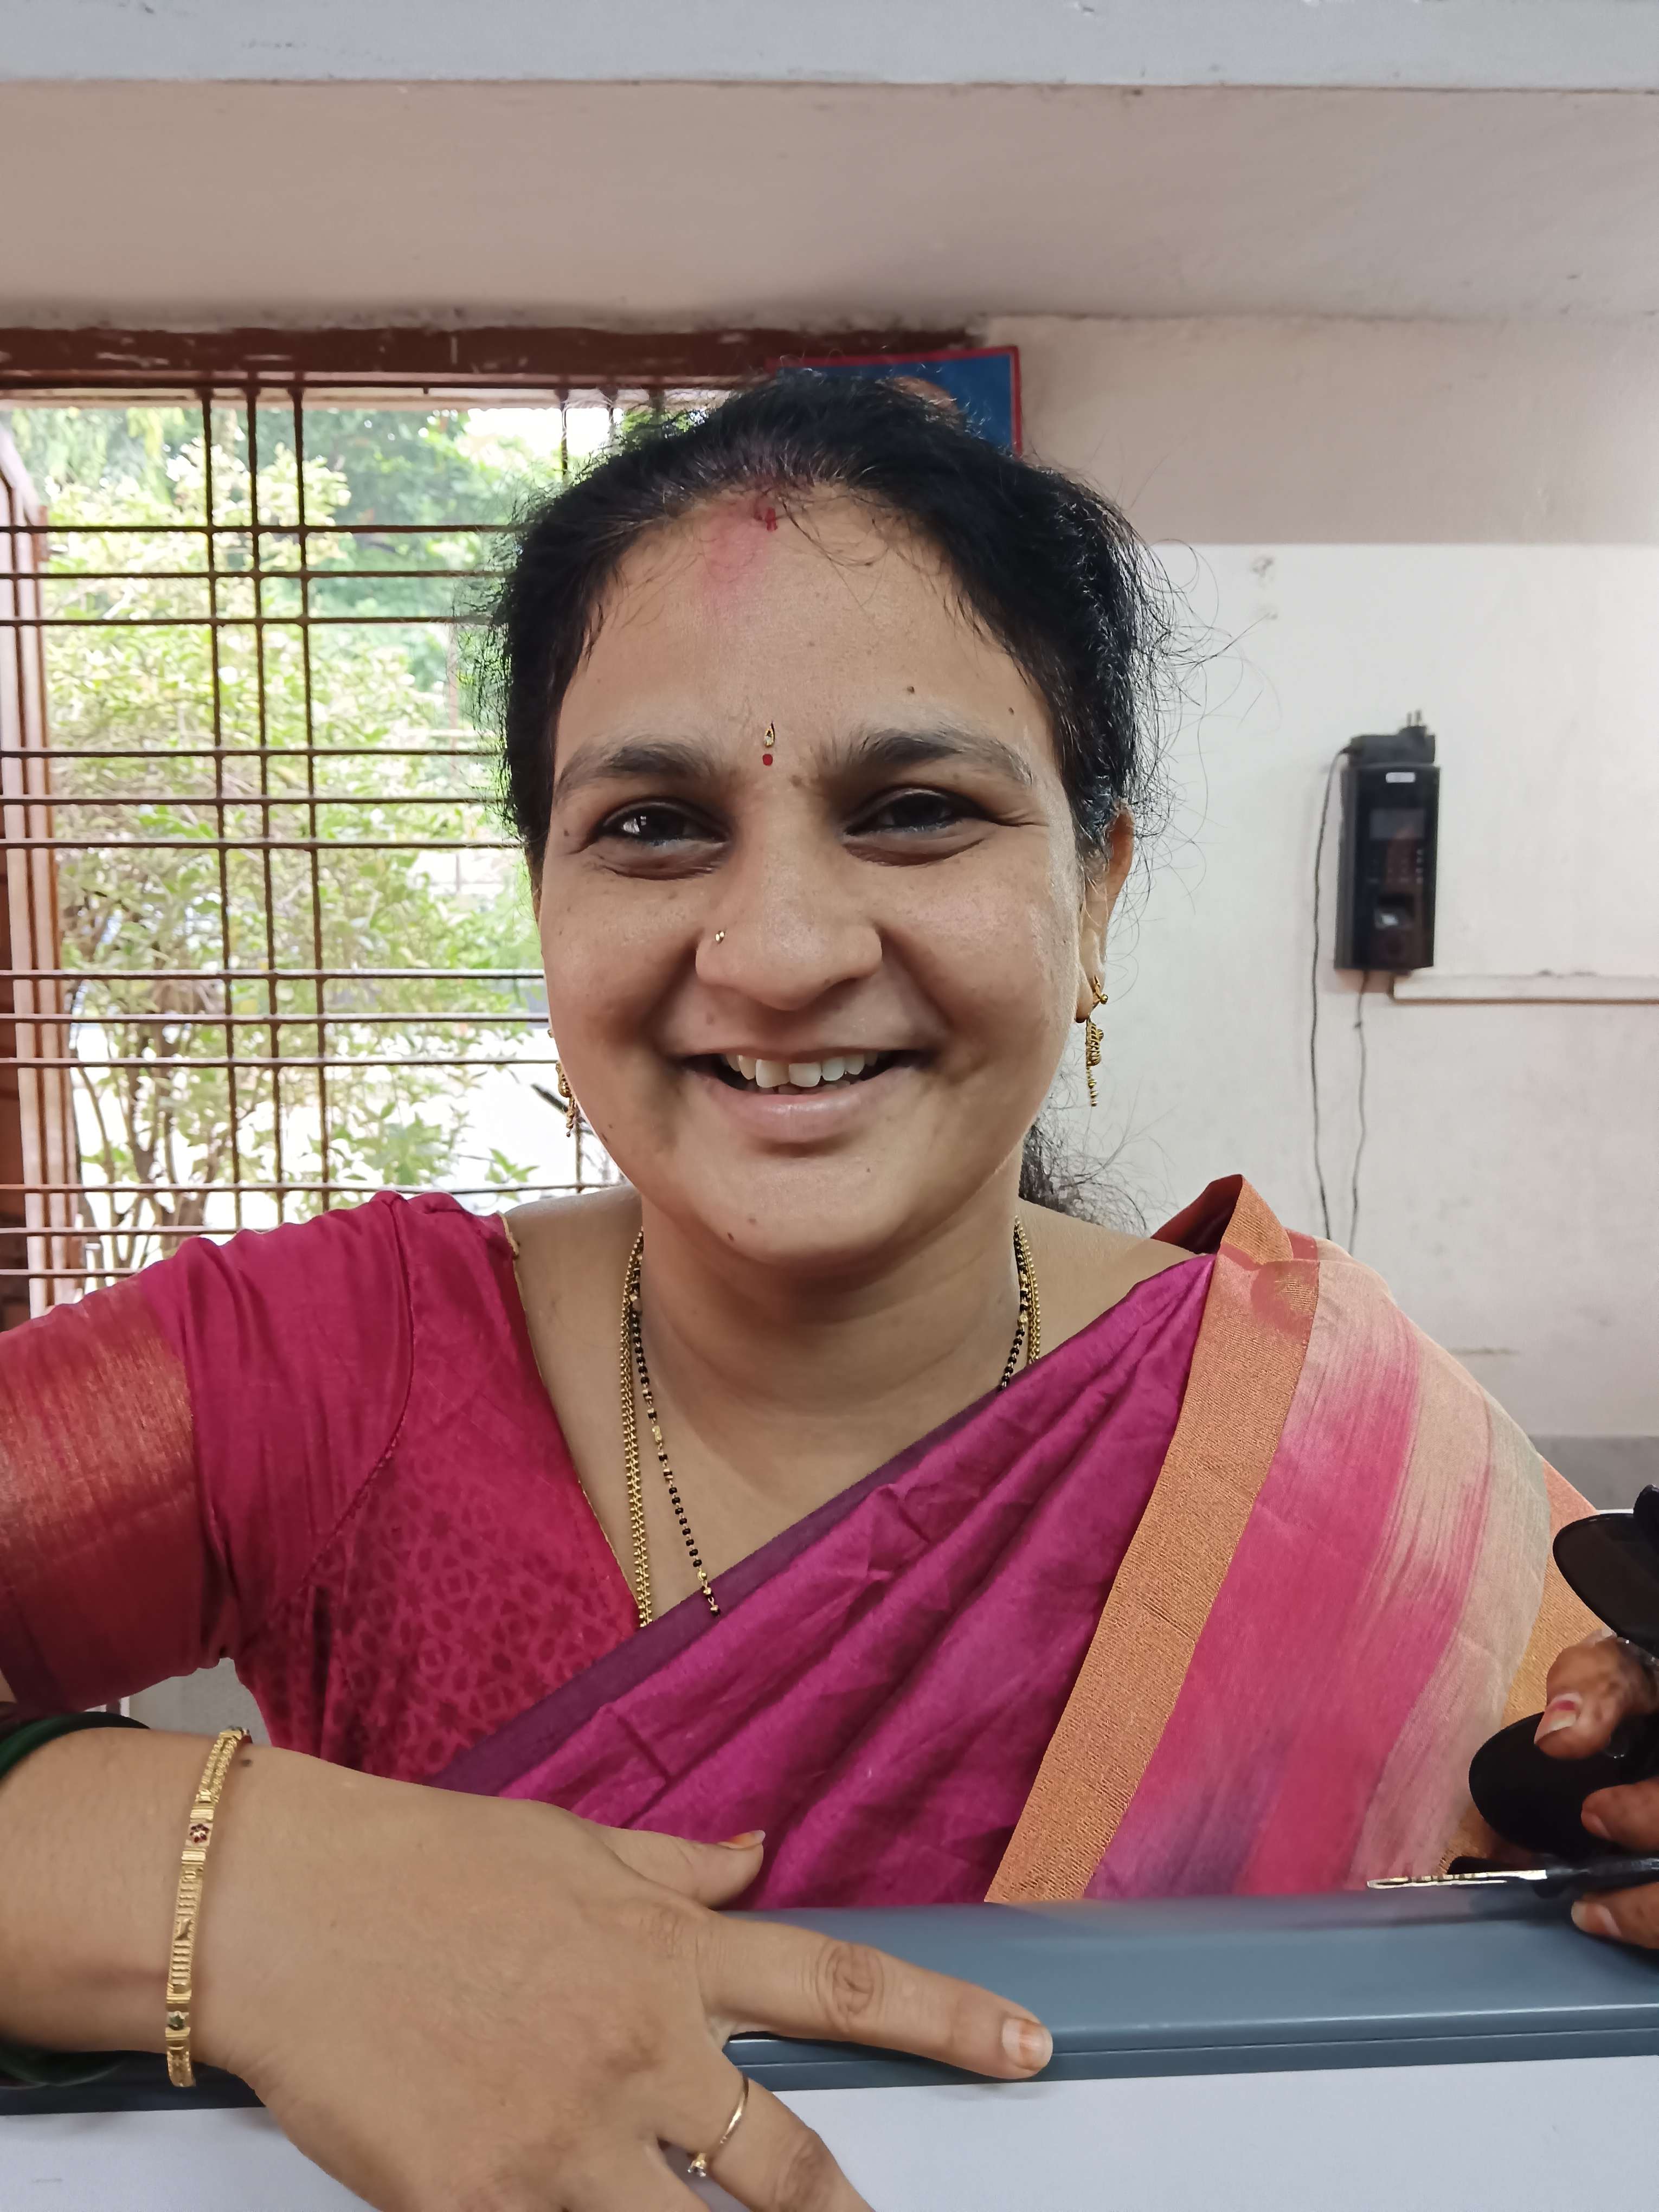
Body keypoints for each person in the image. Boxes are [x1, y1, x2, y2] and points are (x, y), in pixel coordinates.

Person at [1, 374, 1652, 2212]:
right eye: (652, 826)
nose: (780, 952)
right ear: (545, 899)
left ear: (1097, 889)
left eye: (915, 810)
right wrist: (227, 1883)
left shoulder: (1333, 1442)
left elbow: (1575, 1802)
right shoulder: (331, 1371)